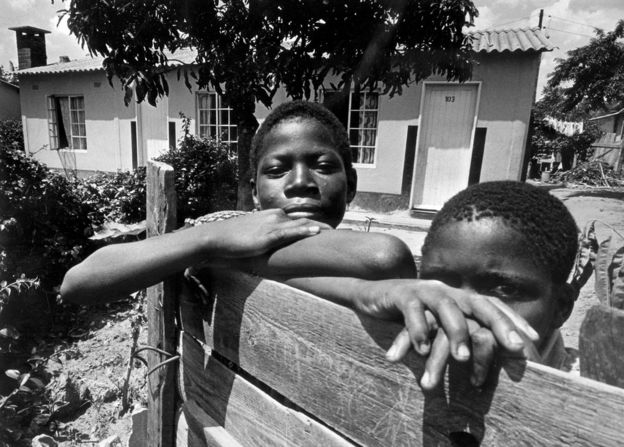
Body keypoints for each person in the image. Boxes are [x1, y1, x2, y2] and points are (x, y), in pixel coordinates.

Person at [61, 100, 536, 388]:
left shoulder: (240, 245)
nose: (301, 182)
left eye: (323, 166)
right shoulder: (225, 230)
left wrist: (217, 248)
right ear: (254, 191)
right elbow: (78, 282)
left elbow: (368, 266)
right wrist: (209, 238)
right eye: (277, 169)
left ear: (350, 184)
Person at [416, 180, 579, 384]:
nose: (463, 309)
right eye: (441, 285)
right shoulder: (402, 340)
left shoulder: (599, 392)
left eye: (505, 290)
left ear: (560, 308)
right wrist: (364, 290)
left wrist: (533, 385)